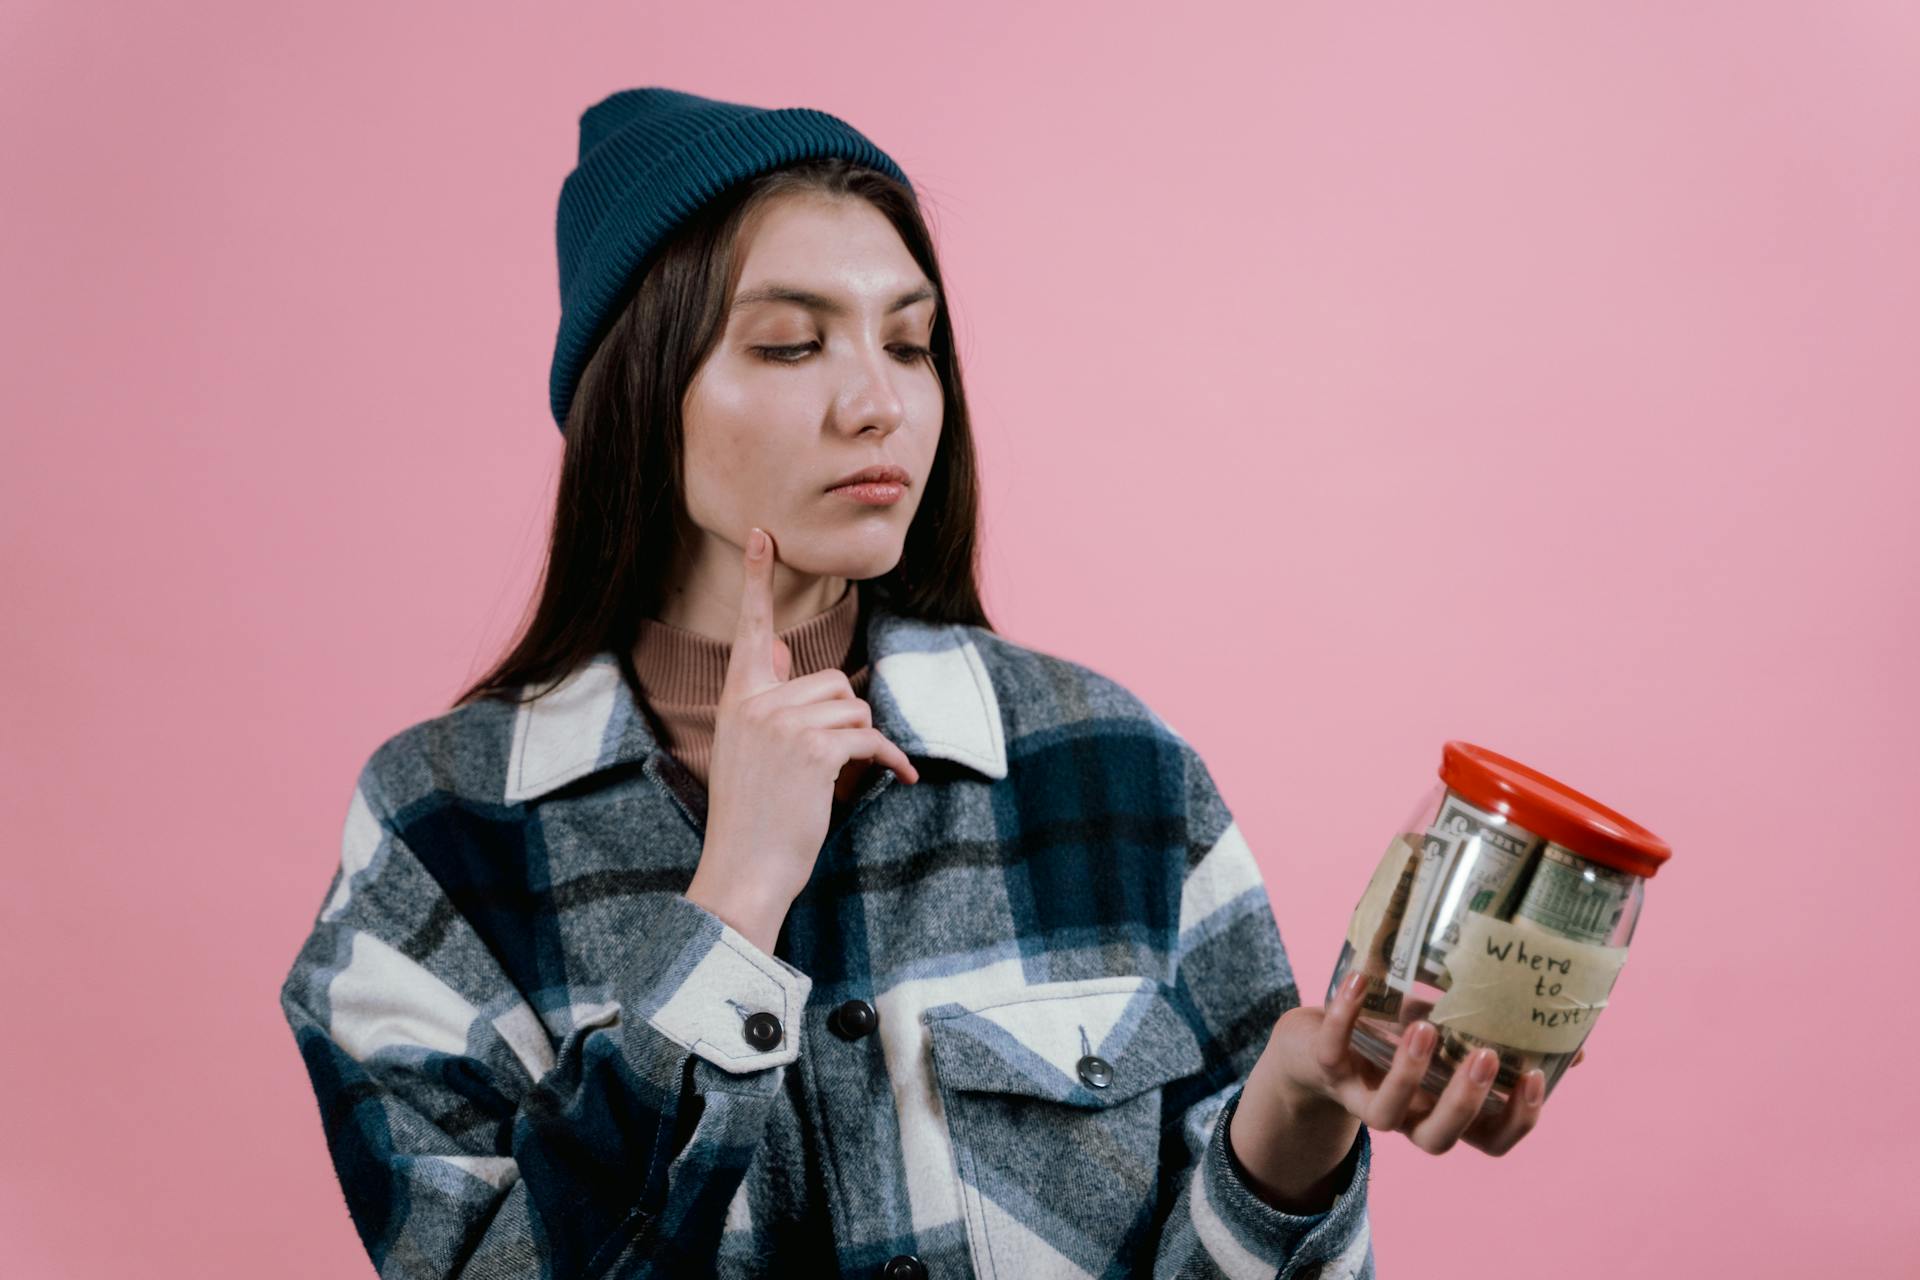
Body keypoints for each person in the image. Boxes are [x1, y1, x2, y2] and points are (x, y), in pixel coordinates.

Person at [279, 86, 1558, 1280]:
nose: (879, 403)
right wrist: (729, 909)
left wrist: (1291, 1124)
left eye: (911, 343)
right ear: (636, 388)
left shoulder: (1113, 770)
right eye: (790, 345)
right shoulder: (441, 830)